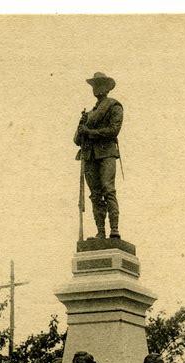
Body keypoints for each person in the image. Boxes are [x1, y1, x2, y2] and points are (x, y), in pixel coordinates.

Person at [74, 72, 123, 240]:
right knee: (95, 195)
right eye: (94, 85)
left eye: (100, 84)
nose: (96, 88)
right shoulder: (88, 114)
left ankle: (114, 229)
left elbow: (113, 130)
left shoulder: (114, 106)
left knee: (108, 190)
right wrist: (81, 126)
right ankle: (101, 232)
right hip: (89, 156)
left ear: (107, 87)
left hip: (106, 153)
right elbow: (76, 140)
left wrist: (90, 131)